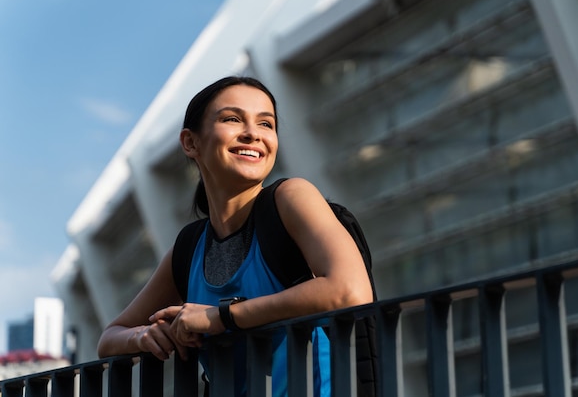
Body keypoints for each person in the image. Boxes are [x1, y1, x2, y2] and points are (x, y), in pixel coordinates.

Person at [97, 76, 374, 396]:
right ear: (190, 142)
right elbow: (110, 338)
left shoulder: (291, 198)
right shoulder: (189, 248)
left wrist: (221, 317)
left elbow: (350, 290)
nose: (253, 134)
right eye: (232, 119)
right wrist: (144, 336)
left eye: (266, 124)